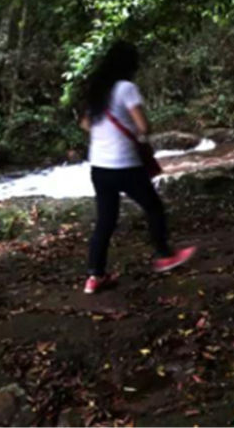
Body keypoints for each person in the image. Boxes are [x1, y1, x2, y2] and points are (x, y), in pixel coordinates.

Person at [79, 41, 196, 294]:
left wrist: (106, 134)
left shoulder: (97, 90)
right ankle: (164, 255)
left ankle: (94, 276)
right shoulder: (126, 88)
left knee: (105, 220)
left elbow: (85, 124)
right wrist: (133, 133)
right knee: (154, 207)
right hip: (124, 164)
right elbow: (143, 127)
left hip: (99, 166)